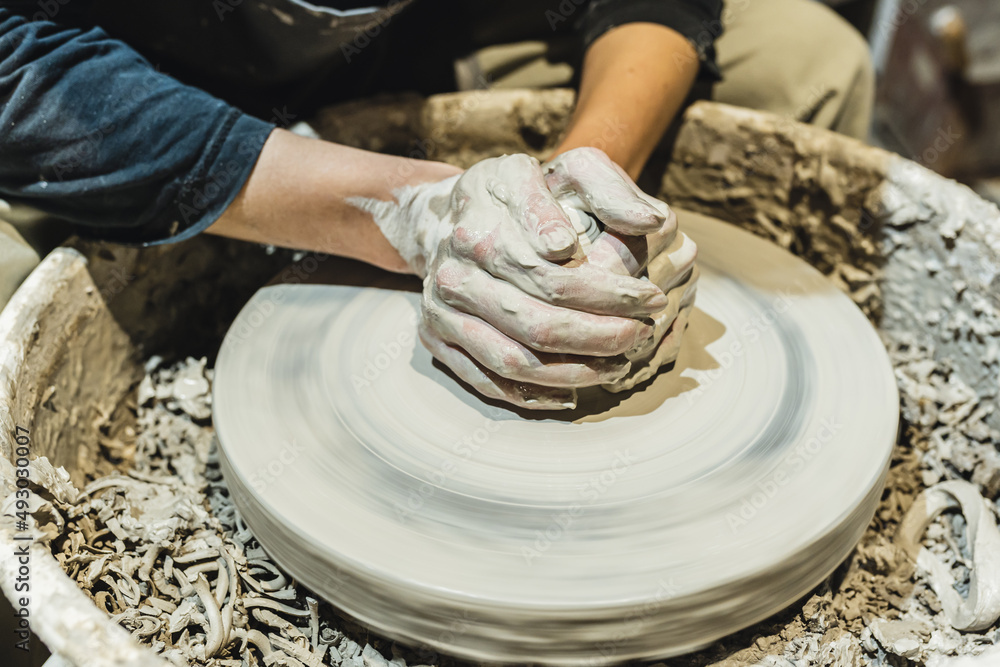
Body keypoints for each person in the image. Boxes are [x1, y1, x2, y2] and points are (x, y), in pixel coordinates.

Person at [0, 0, 874, 408]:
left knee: (808, 66)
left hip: (418, 37)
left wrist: (575, 190)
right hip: (115, 73)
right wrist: (410, 211)